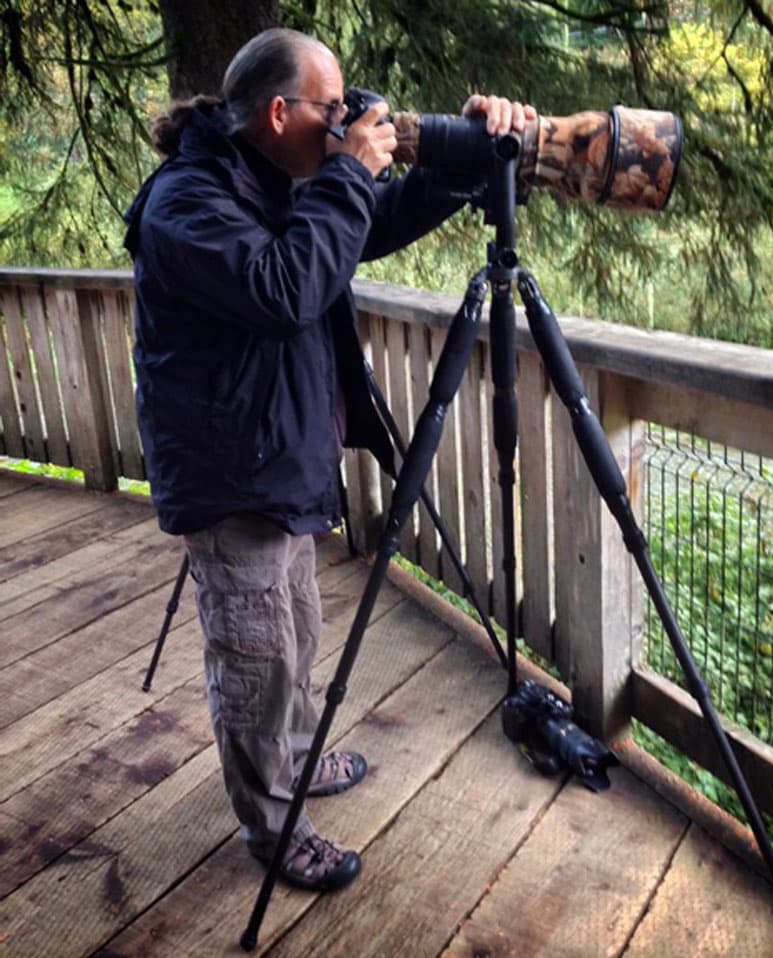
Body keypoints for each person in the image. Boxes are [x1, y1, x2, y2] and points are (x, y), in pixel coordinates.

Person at [124, 27, 534, 894]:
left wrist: (459, 164)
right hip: (231, 472)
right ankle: (272, 822)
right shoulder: (186, 203)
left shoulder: (273, 177)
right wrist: (349, 169)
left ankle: (299, 754)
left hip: (277, 454)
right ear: (279, 112)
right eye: (331, 105)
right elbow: (284, 286)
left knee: (295, 630)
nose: (346, 117)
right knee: (256, 656)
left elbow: (363, 227)